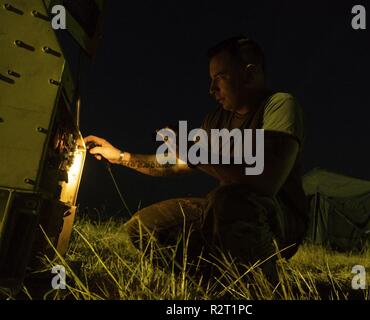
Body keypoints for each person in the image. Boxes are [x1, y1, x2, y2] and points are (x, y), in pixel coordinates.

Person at [84, 36, 307, 281]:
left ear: (249, 74)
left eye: (220, 77)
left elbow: (267, 179)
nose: (212, 90)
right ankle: (215, 282)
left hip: (277, 218)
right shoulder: (216, 120)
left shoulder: (279, 105)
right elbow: (176, 163)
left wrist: (191, 150)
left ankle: (261, 286)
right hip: (224, 210)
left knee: (227, 200)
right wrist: (120, 156)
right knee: (144, 226)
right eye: (211, 80)